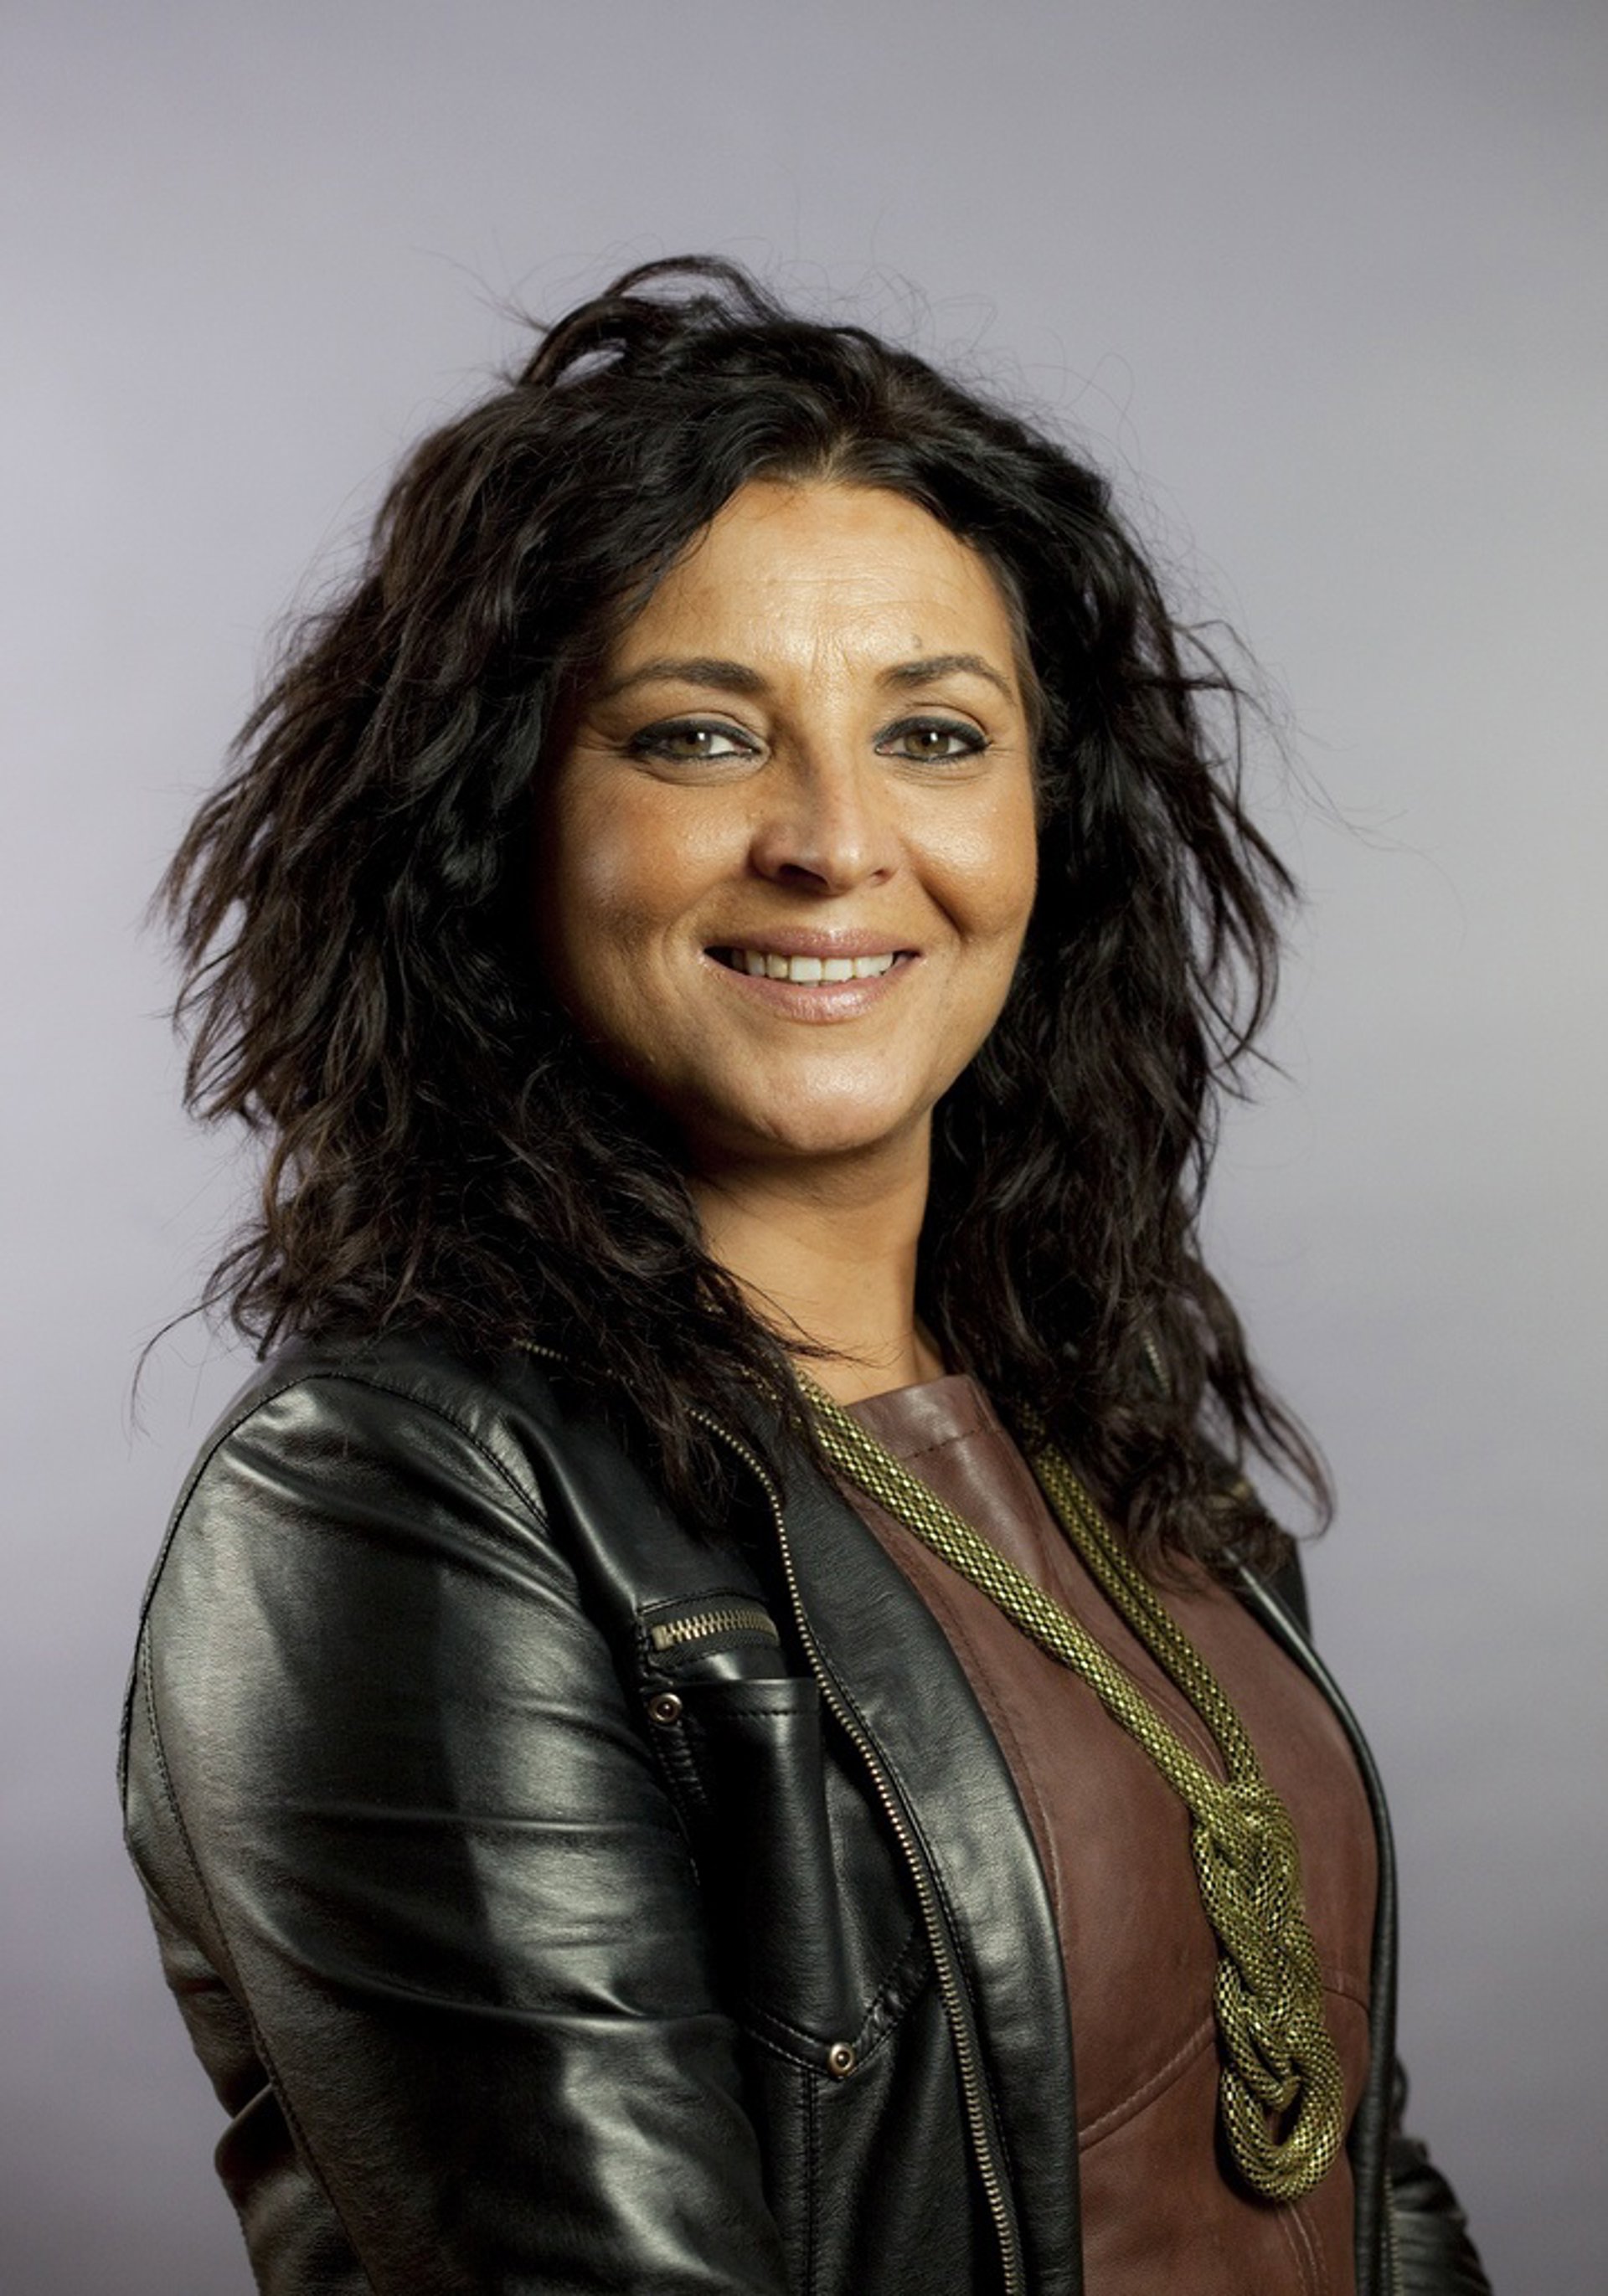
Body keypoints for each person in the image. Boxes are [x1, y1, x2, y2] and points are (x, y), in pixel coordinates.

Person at [121, 255, 1491, 2296]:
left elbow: (1357, 2179)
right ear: (502, 821)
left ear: (1049, 829)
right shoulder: (399, 1501)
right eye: (698, 737)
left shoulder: (1129, 1464)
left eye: (935, 734)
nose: (837, 841)